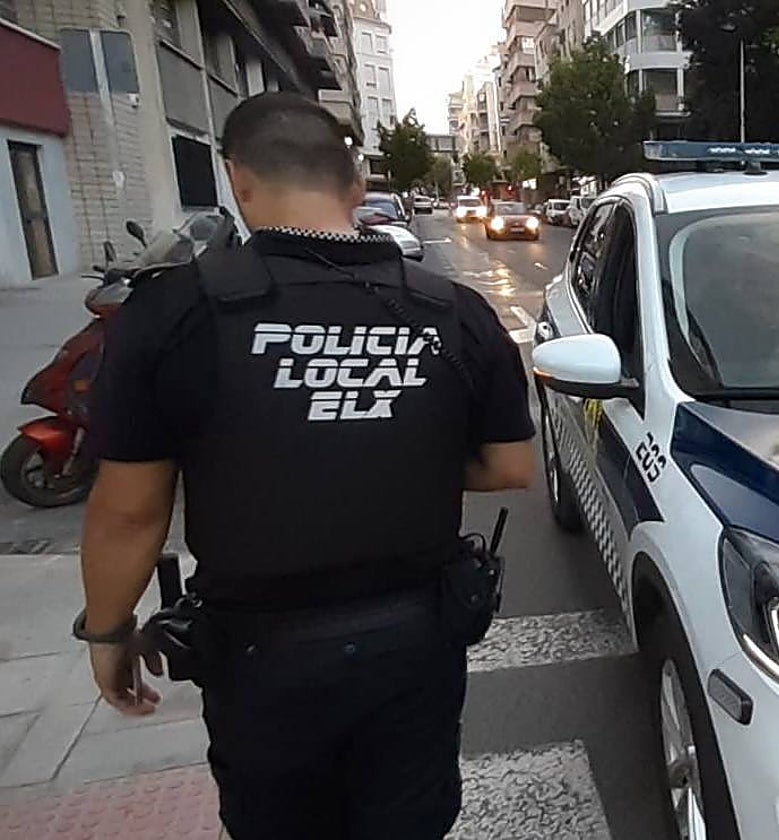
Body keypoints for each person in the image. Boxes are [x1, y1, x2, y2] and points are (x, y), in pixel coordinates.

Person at [74, 92, 536, 839]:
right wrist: (389, 450)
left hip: (258, 659)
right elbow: (511, 466)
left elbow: (130, 509)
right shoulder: (453, 310)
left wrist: (106, 633)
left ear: (238, 179)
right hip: (415, 642)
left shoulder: (173, 313)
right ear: (355, 184)